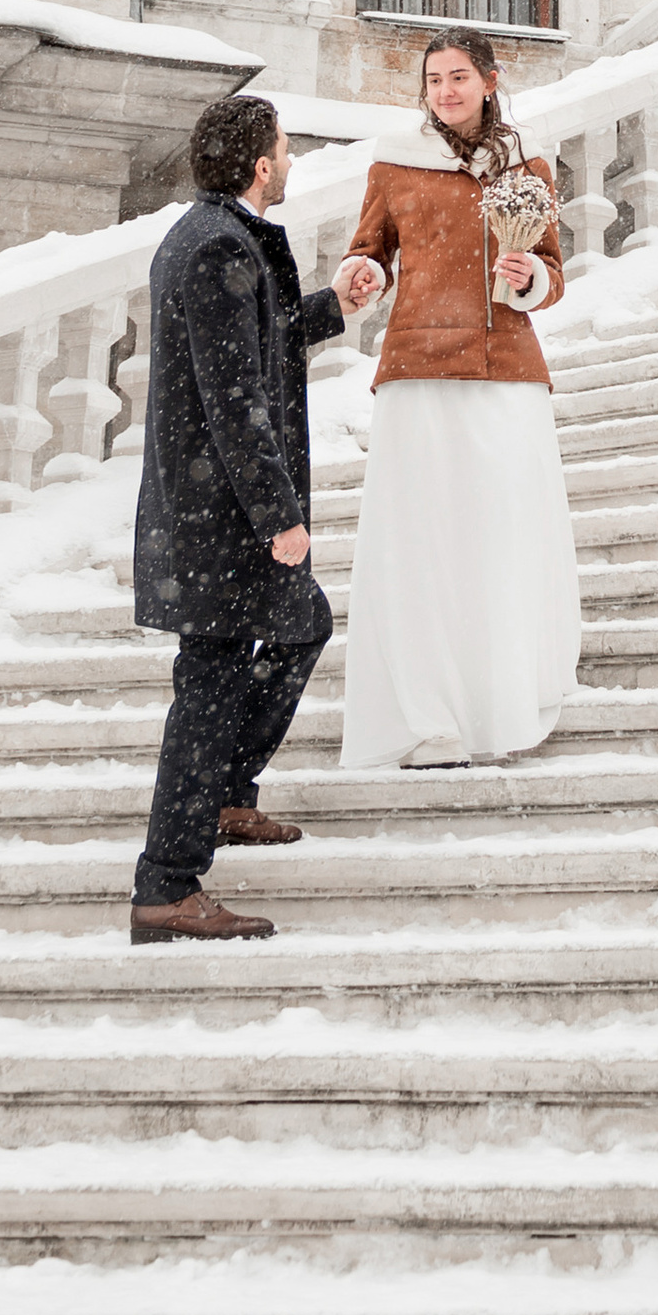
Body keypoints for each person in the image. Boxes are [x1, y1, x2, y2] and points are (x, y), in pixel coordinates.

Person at [128, 90, 371, 942]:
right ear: (260, 162)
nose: (294, 157)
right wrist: (279, 514)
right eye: (286, 146)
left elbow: (253, 347)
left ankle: (229, 795)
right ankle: (166, 882)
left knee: (300, 623)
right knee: (209, 688)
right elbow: (234, 398)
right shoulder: (217, 247)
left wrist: (334, 304)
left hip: (210, 515)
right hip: (221, 519)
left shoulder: (212, 238)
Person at [333, 28, 582, 769]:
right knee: (422, 542)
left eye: (459, 77)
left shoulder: (528, 167)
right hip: (417, 369)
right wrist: (362, 274)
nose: (445, 90)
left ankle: (499, 698)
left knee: (500, 534)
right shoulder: (395, 162)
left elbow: (553, 271)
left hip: (506, 371)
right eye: (434, 78)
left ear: (490, 79)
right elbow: (367, 248)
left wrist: (528, 276)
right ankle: (426, 715)